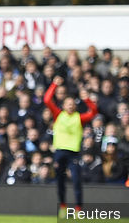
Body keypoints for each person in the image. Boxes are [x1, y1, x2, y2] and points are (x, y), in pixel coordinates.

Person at [44, 76, 98, 216]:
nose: (70, 105)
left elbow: (93, 112)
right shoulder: (58, 115)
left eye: (72, 103)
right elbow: (47, 100)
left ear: (75, 105)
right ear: (63, 105)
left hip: (73, 153)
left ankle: (79, 208)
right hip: (60, 152)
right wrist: (54, 84)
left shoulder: (79, 118)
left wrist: (87, 99)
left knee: (76, 181)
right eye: (67, 103)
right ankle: (62, 205)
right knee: (60, 181)